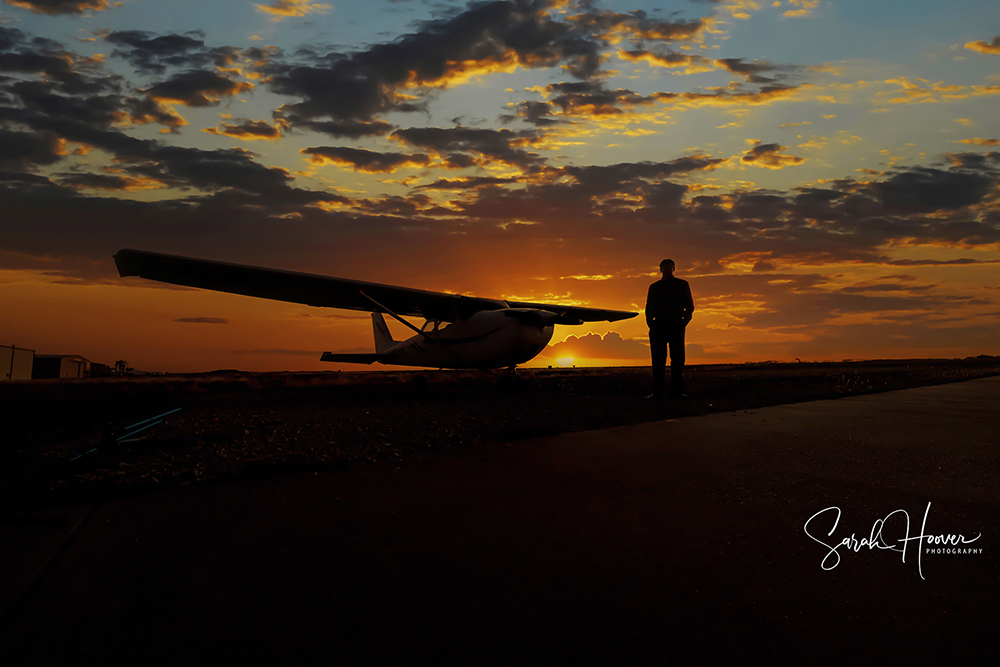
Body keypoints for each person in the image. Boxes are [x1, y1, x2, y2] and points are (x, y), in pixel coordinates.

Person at [645, 258, 694, 398]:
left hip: (676, 325)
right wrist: (652, 324)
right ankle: (658, 393)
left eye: (670, 267)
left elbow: (689, 307)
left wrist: (682, 322)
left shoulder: (682, 285)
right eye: (665, 267)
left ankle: (677, 392)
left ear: (673, 269)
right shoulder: (654, 287)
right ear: (661, 269)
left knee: (678, 359)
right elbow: (648, 309)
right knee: (658, 359)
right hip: (658, 326)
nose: (667, 269)